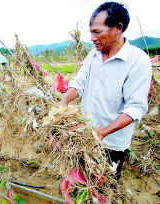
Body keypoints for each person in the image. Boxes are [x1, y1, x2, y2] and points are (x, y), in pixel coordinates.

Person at [57, 2, 152, 180]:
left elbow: (135, 107)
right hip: (85, 134)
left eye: (97, 32)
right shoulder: (93, 55)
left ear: (118, 28)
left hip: (111, 144)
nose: (92, 38)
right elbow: (79, 83)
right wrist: (64, 101)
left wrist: (103, 132)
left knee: (104, 187)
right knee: (80, 180)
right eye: (91, 32)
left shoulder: (138, 61)